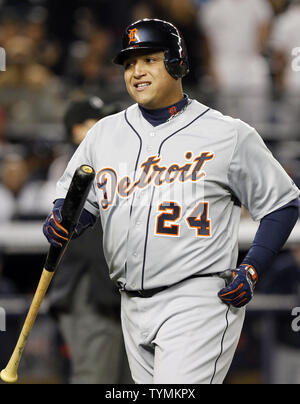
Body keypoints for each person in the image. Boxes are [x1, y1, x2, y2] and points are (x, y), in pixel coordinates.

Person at [43, 19, 300, 384]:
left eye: (148, 59)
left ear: (177, 62)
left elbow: (282, 203)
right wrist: (62, 220)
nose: (136, 72)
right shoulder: (104, 133)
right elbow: (80, 207)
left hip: (197, 299)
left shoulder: (227, 134)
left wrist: (253, 267)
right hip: (130, 301)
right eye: (129, 64)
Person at [44, 96, 132, 384]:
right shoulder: (72, 167)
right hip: (87, 288)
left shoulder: (113, 162)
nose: (109, 126)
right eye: (98, 121)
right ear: (78, 130)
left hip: (113, 289)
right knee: (96, 378)